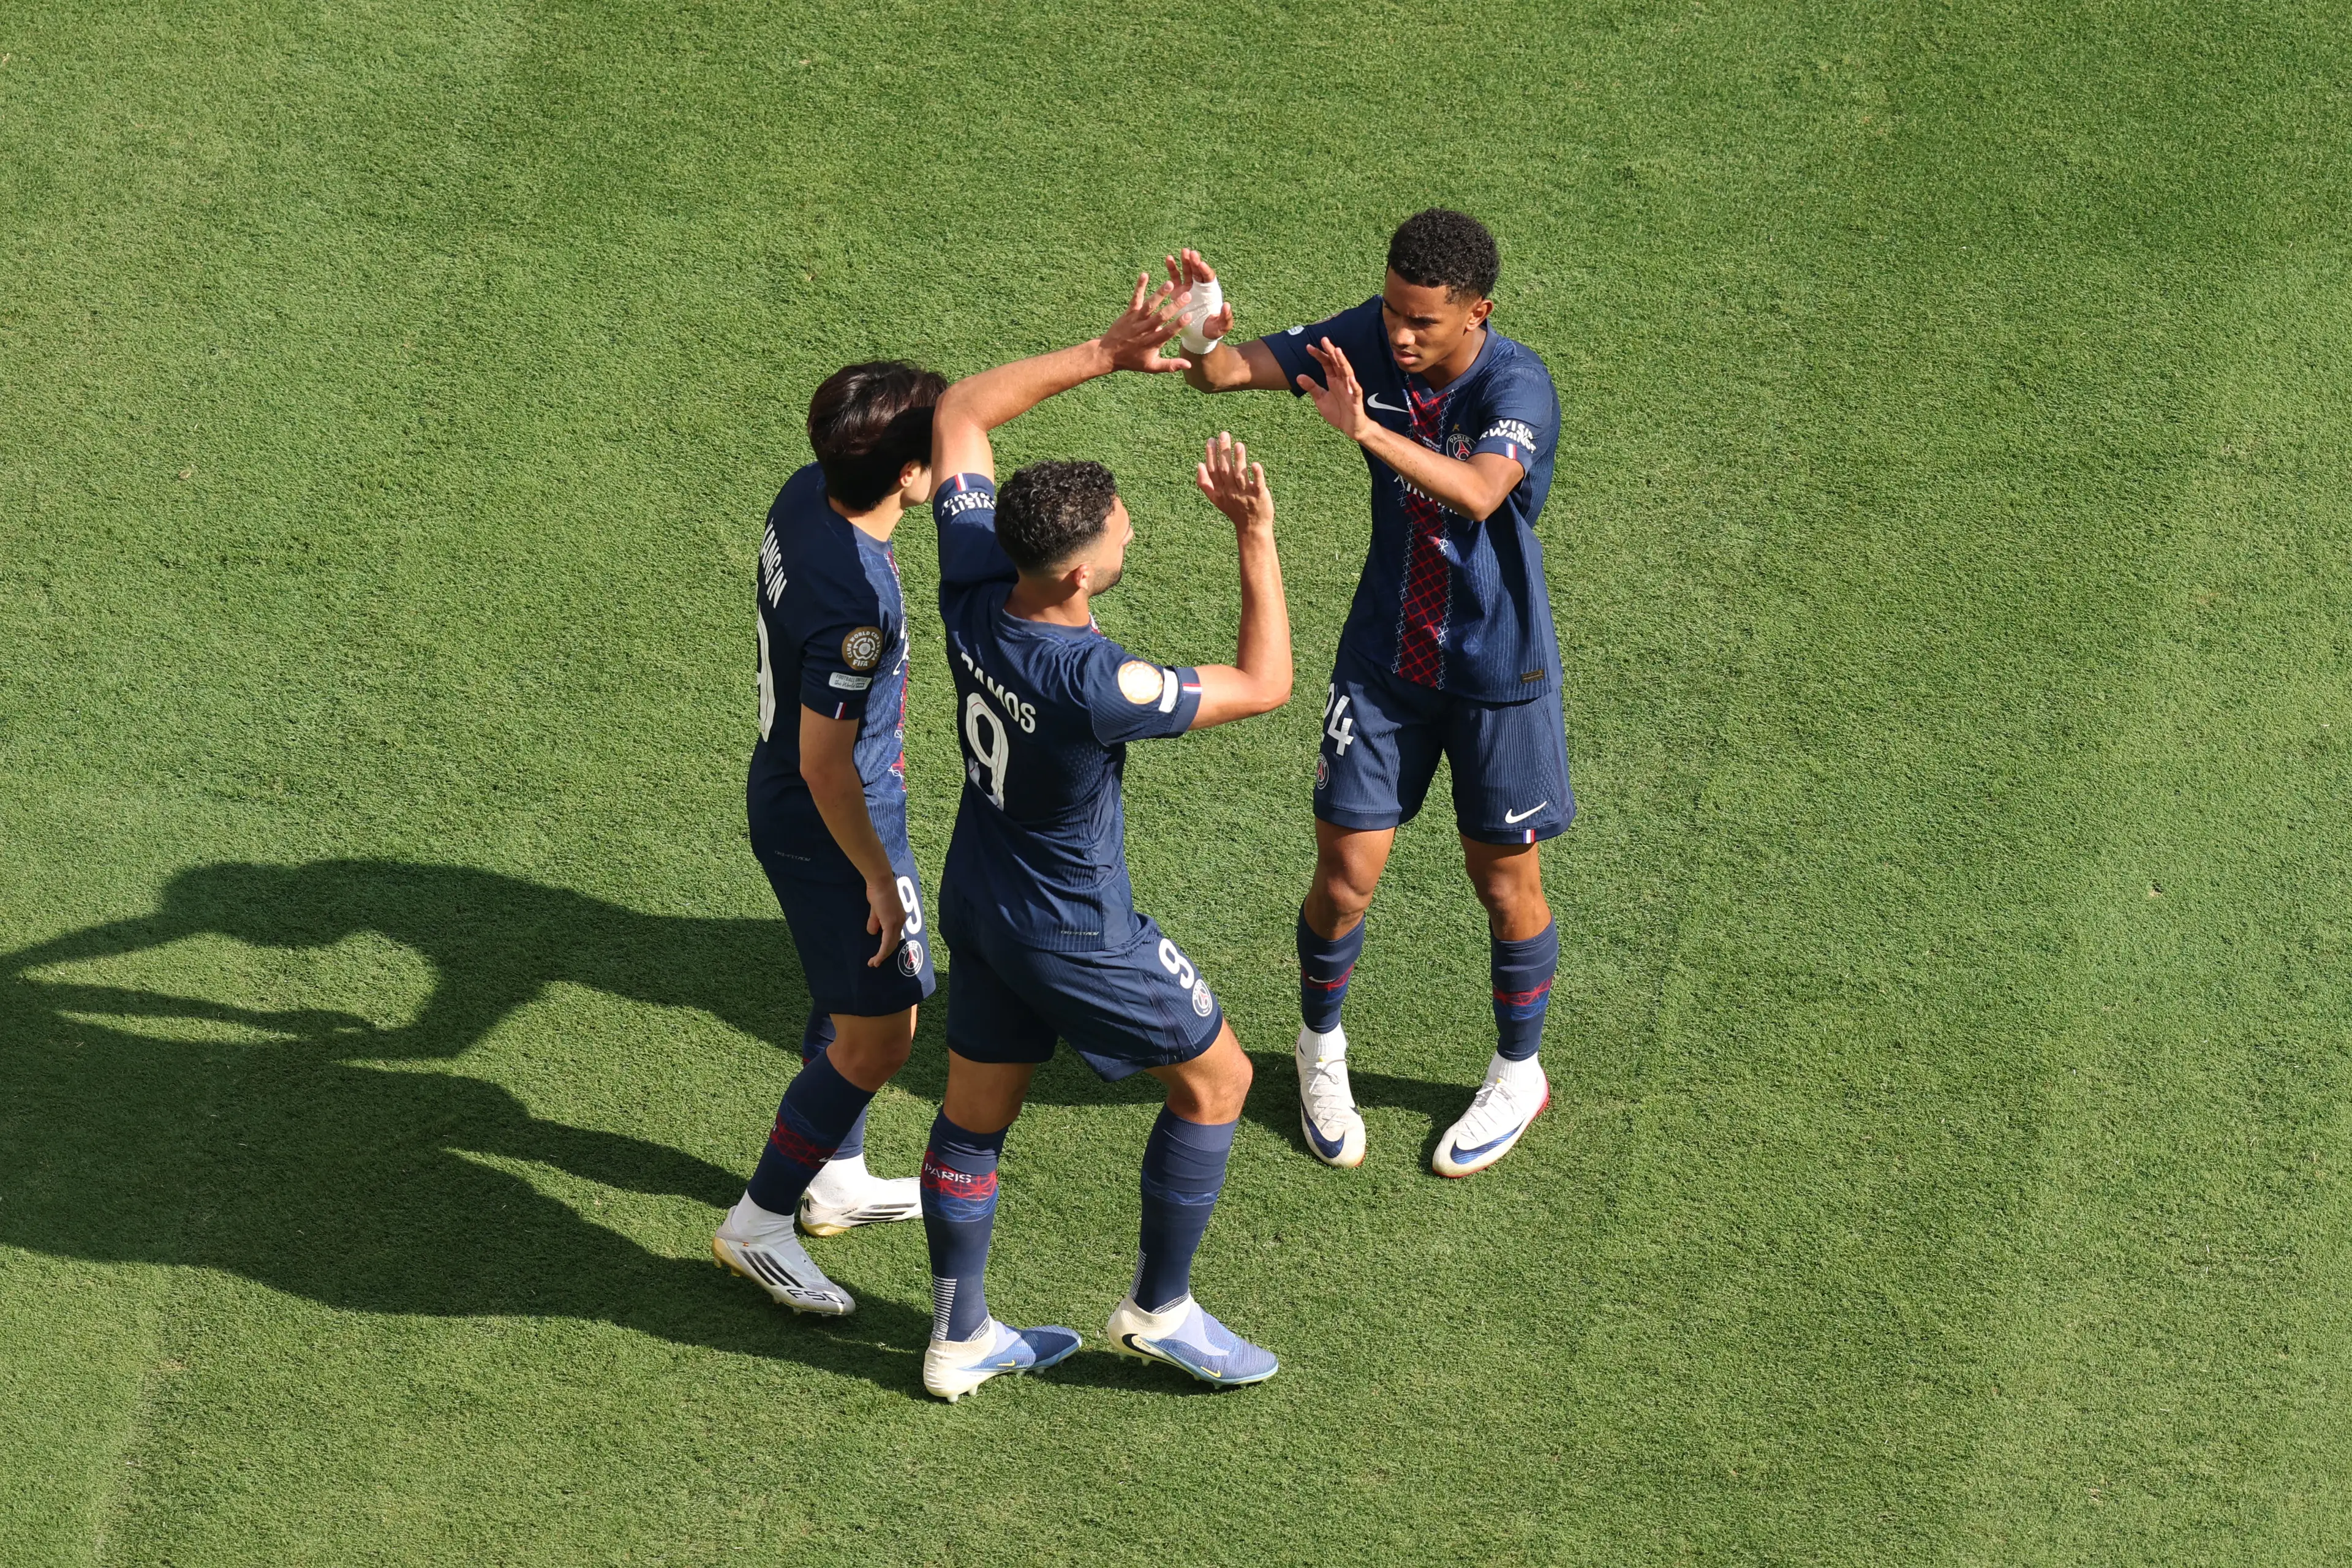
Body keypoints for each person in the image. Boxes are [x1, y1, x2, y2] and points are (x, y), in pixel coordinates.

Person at [915, 276, 1293, 1402]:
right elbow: (1266, 682)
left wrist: (1104, 352)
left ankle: (958, 1336)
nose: (1132, 527)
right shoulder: (1097, 683)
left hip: (981, 894)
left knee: (973, 1118)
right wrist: (1256, 536)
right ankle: (1159, 1309)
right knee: (1219, 1080)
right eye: (1122, 526)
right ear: (1079, 572)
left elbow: (960, 413)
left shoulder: (974, 574)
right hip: (1078, 928)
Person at [1172, 209, 1570, 1178]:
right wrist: (1202, 331)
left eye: (1422, 320)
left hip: (1498, 676)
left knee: (1504, 885)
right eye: (1391, 310)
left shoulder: (1517, 386)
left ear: (1478, 312)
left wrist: (1364, 429)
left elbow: (1479, 492)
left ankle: (1519, 1073)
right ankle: (1320, 1047)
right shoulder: (1369, 337)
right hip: (1385, 663)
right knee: (1345, 879)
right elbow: (1221, 376)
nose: (1398, 333)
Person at [710, 361, 944, 1316]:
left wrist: (1104, 352)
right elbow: (825, 764)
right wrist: (878, 878)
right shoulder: (857, 603)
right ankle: (759, 1222)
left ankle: (836, 1176)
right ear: (907, 475)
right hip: (831, 821)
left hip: (808, 798)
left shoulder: (809, 488)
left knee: (847, 993)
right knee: (885, 1036)